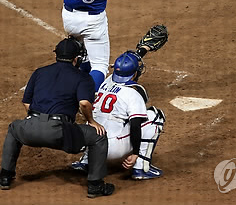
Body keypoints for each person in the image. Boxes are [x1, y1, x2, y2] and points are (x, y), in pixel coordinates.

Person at [0, 37, 114, 198]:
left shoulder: (40, 72)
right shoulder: (82, 77)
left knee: (14, 129)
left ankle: (5, 177)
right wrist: (92, 121)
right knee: (98, 137)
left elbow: (27, 103)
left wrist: (38, 122)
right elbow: (85, 103)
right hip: (59, 133)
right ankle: (95, 185)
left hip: (30, 129)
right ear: (76, 59)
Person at [71, 25, 169, 180]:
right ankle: (141, 167)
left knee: (99, 120)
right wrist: (135, 153)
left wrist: (143, 49)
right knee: (155, 116)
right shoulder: (135, 93)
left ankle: (86, 161)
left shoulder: (105, 82)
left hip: (94, 144)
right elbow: (136, 125)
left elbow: (126, 70)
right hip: (113, 149)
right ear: (135, 73)